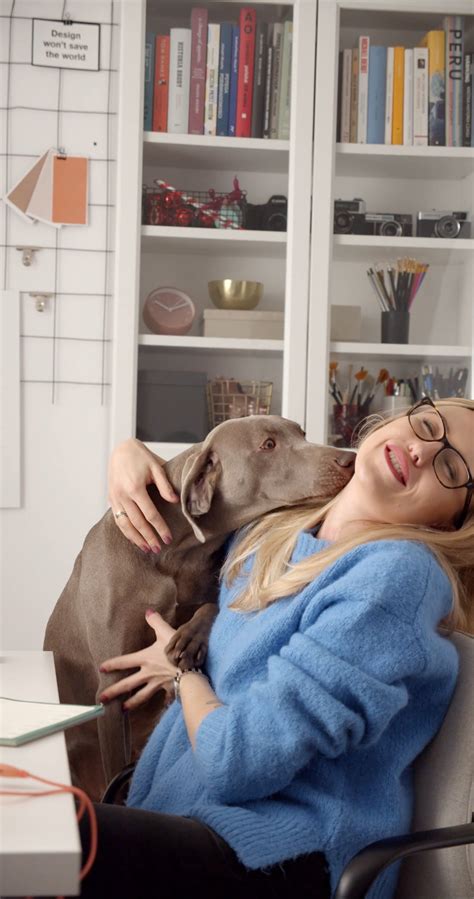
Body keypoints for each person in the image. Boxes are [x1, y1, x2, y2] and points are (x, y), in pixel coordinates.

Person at [79, 397, 473, 899]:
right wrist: (128, 455)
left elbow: (235, 761)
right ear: (393, 421)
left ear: (453, 521)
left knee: (31, 836)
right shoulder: (275, 531)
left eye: (450, 464)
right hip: (185, 820)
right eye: (425, 423)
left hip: (277, 856)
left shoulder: (395, 578)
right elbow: (221, 468)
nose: (421, 449)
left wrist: (183, 673)